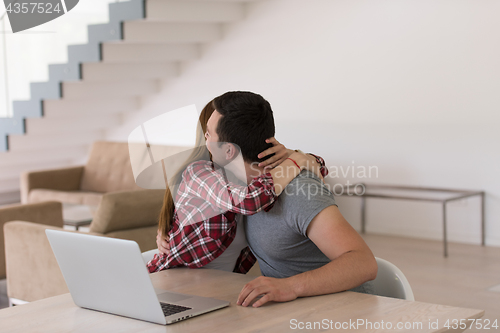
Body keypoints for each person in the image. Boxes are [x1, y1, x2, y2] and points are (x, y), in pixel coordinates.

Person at [147, 92, 327, 274]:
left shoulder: (251, 175)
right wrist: (296, 160)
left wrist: (293, 155)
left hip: (220, 285)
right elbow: (250, 201)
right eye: (206, 134)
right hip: (173, 278)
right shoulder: (199, 173)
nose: (207, 138)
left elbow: (317, 168)